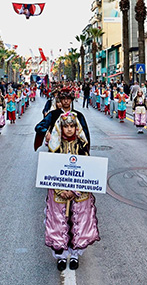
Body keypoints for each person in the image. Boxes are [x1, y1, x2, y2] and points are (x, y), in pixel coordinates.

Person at [43, 112, 99, 272]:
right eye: (65, 126)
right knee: (60, 221)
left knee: (77, 222)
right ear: (61, 128)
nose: (69, 129)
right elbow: (51, 170)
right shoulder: (55, 147)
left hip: (79, 192)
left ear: (76, 127)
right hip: (58, 191)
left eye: (72, 126)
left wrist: (74, 190)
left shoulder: (82, 146)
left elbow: (86, 170)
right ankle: (60, 256)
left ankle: (74, 254)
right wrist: (61, 190)